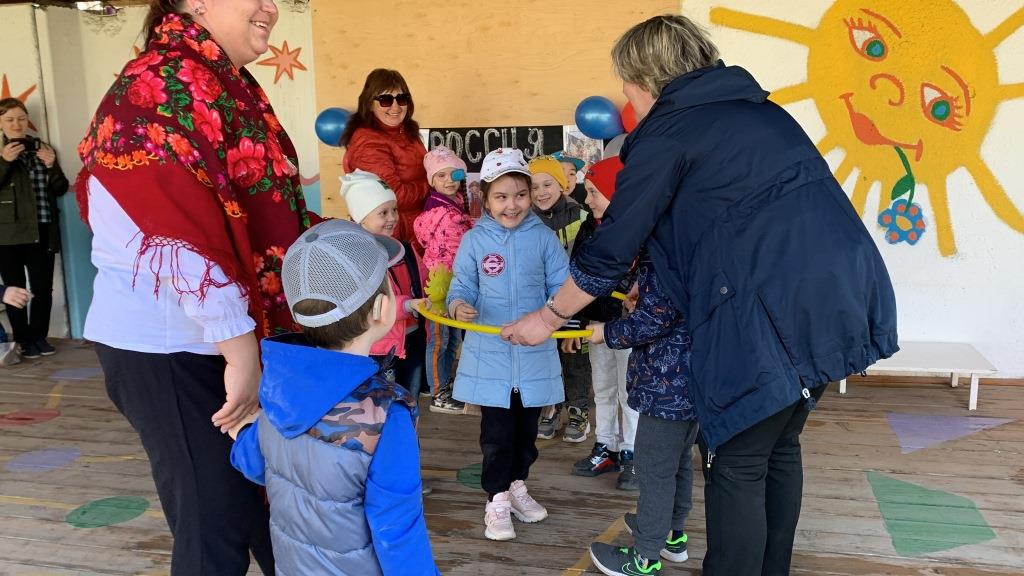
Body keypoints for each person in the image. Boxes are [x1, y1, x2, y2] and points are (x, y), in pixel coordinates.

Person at [501, 14, 897, 576]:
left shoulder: (672, 130)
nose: (627, 99)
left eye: (627, 86)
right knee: (777, 447)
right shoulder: (761, 113)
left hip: (767, 316)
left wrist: (547, 318)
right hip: (839, 296)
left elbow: (613, 243)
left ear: (646, 78)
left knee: (736, 461)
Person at [77, 1, 315, 573]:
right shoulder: (160, 82)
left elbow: (262, 215)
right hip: (172, 348)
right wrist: (239, 350)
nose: (270, 7)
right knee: (215, 530)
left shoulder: (219, 81)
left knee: (276, 519)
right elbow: (170, 229)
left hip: (223, 342)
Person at [229, 220, 439, 576]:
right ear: (381, 309)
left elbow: (252, 462)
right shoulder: (384, 414)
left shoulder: (279, 382)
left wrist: (244, 432)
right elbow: (398, 530)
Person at [446, 148, 568, 541]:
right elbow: (462, 285)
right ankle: (496, 499)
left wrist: (561, 322)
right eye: (501, 197)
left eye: (520, 195)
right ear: (485, 198)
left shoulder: (545, 239)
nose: (511, 205)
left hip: (534, 355)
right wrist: (458, 304)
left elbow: (561, 289)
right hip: (491, 356)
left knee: (527, 435)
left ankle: (516, 485)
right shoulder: (474, 240)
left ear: (530, 195)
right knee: (497, 436)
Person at [586, 254, 699, 575]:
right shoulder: (687, 246)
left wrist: (607, 332)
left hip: (666, 384)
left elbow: (653, 320)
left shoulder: (663, 253)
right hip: (691, 379)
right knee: (678, 462)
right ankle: (672, 535)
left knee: (654, 469)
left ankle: (645, 557)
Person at [568, 156, 641, 491]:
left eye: (594, 192)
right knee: (603, 387)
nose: (587, 200)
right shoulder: (588, 228)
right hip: (596, 324)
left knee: (629, 391)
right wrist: (574, 322)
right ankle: (605, 445)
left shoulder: (637, 230)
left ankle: (633, 451)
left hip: (627, 326)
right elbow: (577, 275)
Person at [341, 170, 427, 396]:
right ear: (361, 217)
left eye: (394, 210)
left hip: (411, 339)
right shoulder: (356, 258)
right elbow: (372, 307)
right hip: (379, 348)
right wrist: (408, 305)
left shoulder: (404, 248)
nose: (392, 218)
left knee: (409, 400)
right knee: (381, 403)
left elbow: (423, 279)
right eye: (383, 213)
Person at [528, 155, 591, 443]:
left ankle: (578, 410)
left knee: (575, 357)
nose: (541, 192)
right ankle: (551, 407)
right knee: (547, 358)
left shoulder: (581, 217)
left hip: (575, 302)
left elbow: (588, 268)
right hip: (540, 305)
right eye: (534, 187)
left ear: (562, 184)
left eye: (547, 184)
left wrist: (577, 315)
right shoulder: (527, 220)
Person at [0, 98, 69, 359]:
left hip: (43, 229)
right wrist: (4, 161)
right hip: (7, 234)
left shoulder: (44, 148)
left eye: (21, 118)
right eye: (9, 119)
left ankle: (39, 337)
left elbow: (60, 189)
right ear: (0, 123)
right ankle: (23, 340)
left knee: (43, 288)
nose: (16, 124)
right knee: (14, 288)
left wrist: (51, 166)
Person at [341, 69, 428, 247]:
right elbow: (394, 196)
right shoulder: (368, 142)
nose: (395, 107)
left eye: (401, 98)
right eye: (385, 100)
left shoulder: (406, 130)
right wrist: (435, 185)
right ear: (369, 103)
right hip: (393, 235)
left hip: (417, 230)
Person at [414, 146, 471, 414]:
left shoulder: (457, 204)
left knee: (452, 340)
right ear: (431, 181)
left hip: (455, 280)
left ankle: (446, 385)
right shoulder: (441, 212)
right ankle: (438, 392)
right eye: (441, 176)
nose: (449, 180)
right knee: (439, 340)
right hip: (438, 284)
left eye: (454, 174)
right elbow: (447, 244)